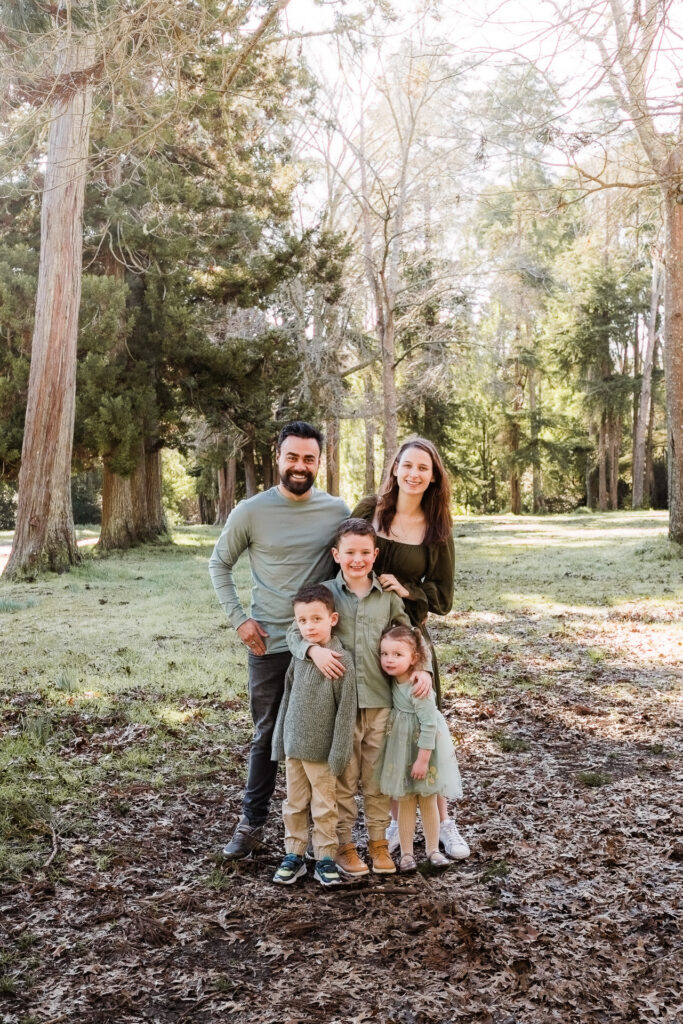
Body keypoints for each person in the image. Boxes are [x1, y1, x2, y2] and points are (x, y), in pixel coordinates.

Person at [209, 421, 349, 859]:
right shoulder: (251, 511)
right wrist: (240, 621)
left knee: (323, 735)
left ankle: (331, 833)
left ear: (319, 462)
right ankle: (251, 826)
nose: (300, 466)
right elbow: (218, 564)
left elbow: (353, 560)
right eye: (293, 457)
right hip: (268, 643)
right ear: (278, 457)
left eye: (309, 458)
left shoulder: (336, 510)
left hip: (319, 647)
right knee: (268, 733)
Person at [286, 518, 433, 878]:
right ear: (337, 554)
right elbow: (294, 630)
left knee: (377, 779)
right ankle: (344, 846)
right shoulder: (324, 594)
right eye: (350, 552)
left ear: (375, 554)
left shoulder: (386, 598)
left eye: (365, 552)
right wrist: (312, 651)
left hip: (381, 701)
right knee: (343, 780)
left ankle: (379, 843)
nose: (357, 559)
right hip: (338, 709)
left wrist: (423, 668)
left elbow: (410, 636)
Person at [352, 436, 470, 860]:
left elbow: (443, 598)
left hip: (409, 640)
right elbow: (348, 557)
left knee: (426, 728)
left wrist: (406, 589)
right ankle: (387, 829)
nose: (415, 473)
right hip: (366, 639)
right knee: (382, 736)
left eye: (424, 467)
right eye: (408, 465)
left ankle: (445, 825)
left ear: (434, 475)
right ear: (396, 468)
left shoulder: (437, 529)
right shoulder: (370, 510)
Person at [271, 584, 357, 888]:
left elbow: (346, 712)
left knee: (324, 806)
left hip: (322, 753)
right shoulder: (300, 656)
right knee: (294, 804)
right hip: (294, 747)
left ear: (332, 619)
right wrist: (279, 740)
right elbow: (287, 698)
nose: (309, 627)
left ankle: (324, 856)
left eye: (316, 619)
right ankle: (294, 853)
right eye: (303, 621)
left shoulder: (340, 660)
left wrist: (339, 753)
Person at [377, 625, 463, 872]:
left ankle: (433, 850)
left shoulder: (419, 686)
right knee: (404, 801)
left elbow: (429, 725)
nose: (389, 660)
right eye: (384, 654)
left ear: (414, 658)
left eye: (397, 654)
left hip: (423, 752)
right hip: (401, 750)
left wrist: (423, 760)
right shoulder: (394, 680)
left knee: (427, 799)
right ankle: (406, 855)